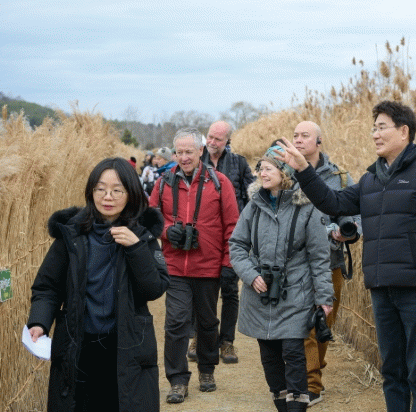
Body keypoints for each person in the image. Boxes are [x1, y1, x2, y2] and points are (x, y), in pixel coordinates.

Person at [276, 100, 416, 412]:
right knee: (392, 372)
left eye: (382, 127)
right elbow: (332, 202)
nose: (375, 134)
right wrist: (304, 170)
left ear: (404, 131)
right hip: (381, 289)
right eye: (374, 128)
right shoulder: (371, 180)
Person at [27, 157, 170, 412]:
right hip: (77, 347)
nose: (108, 197)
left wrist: (136, 248)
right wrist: (39, 322)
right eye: (100, 189)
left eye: (117, 190)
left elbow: (154, 288)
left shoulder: (141, 234)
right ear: (91, 191)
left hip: (126, 348)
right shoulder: (71, 233)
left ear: (131, 193)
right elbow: (48, 287)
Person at [229, 145, 334, 412]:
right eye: (260, 169)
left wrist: (324, 297)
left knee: (293, 352)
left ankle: (297, 406)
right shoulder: (254, 206)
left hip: (296, 293)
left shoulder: (308, 207)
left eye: (268, 168)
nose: (261, 174)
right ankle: (281, 403)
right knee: (269, 356)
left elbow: (319, 257)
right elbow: (237, 246)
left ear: (285, 173)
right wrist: (251, 275)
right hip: (260, 294)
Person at [149, 128, 239, 404]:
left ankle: (207, 370)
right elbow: (149, 219)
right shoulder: (163, 183)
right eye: (179, 152)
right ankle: (177, 380)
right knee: (176, 322)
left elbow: (232, 226)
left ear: (201, 151)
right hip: (175, 267)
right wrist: (167, 231)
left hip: (209, 266)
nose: (184, 157)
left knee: (208, 322)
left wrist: (228, 264)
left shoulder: (220, 182)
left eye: (189, 151)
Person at [292, 121, 362, 407]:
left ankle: (314, 368)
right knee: (304, 325)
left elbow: (357, 215)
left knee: (323, 322)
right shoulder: (285, 173)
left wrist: (349, 232)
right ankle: (311, 385)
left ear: (319, 142)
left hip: (330, 261)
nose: (298, 140)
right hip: (295, 263)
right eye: (295, 135)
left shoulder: (340, 177)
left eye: (305, 135)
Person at [187, 120, 255, 364]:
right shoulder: (196, 160)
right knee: (201, 290)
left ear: (228, 141)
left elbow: (252, 195)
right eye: (210, 137)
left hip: (233, 236)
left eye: (218, 139)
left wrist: (247, 227)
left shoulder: (239, 163)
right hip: (203, 236)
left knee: (229, 289)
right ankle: (198, 338)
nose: (212, 142)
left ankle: (227, 342)